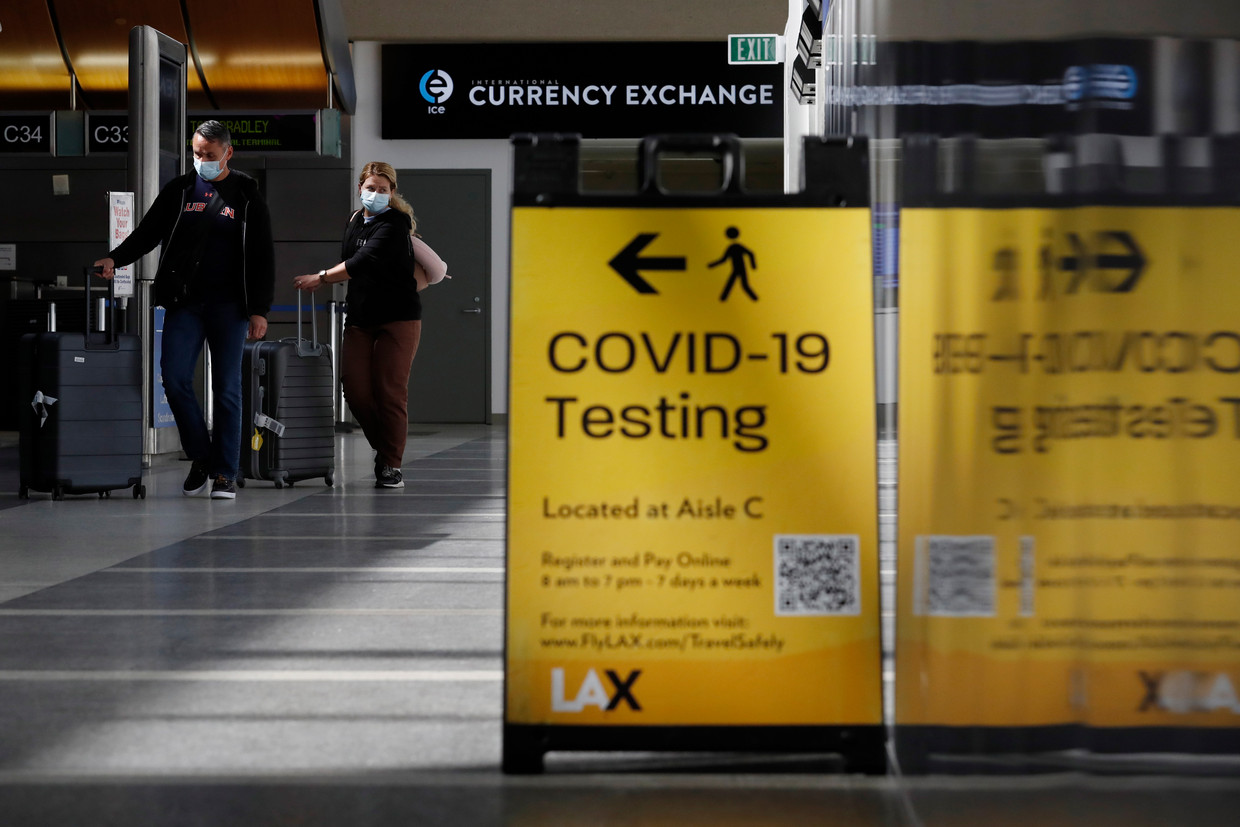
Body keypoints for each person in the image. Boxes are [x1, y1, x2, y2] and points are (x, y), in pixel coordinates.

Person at [94, 120, 274, 500]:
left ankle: (225, 472)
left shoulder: (246, 194)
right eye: (197, 153)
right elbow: (148, 233)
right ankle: (202, 455)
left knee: (227, 389)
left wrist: (260, 310)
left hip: (230, 306)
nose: (202, 160)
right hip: (185, 302)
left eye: (209, 155)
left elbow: (262, 257)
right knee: (173, 377)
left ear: (228, 152)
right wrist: (115, 258)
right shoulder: (179, 190)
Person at [293, 162, 446, 489]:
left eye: (383, 189)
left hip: (398, 317)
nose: (375, 194)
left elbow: (362, 262)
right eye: (371, 187)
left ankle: (391, 463)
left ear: (392, 193)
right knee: (355, 387)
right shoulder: (353, 220)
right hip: (361, 317)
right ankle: (387, 444)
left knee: (390, 390)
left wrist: (321, 277)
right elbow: (352, 259)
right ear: (360, 188)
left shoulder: (395, 222)